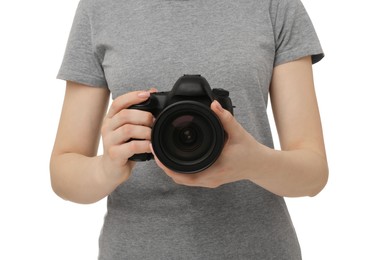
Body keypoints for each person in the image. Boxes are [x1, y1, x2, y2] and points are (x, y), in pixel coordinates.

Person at [50, 0, 328, 259]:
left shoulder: (275, 4)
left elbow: (314, 173)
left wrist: (253, 163)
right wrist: (106, 169)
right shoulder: (99, 6)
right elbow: (63, 172)